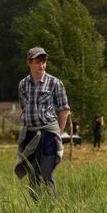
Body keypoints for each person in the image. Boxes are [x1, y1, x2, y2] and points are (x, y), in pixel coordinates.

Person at [14, 46, 70, 198]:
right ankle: (36, 208)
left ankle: (51, 208)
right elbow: (23, 107)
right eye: (38, 62)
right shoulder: (23, 84)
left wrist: (57, 133)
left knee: (46, 173)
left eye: (44, 62)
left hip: (48, 133)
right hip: (30, 133)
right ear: (29, 63)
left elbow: (64, 110)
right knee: (32, 174)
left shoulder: (55, 83)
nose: (41, 65)